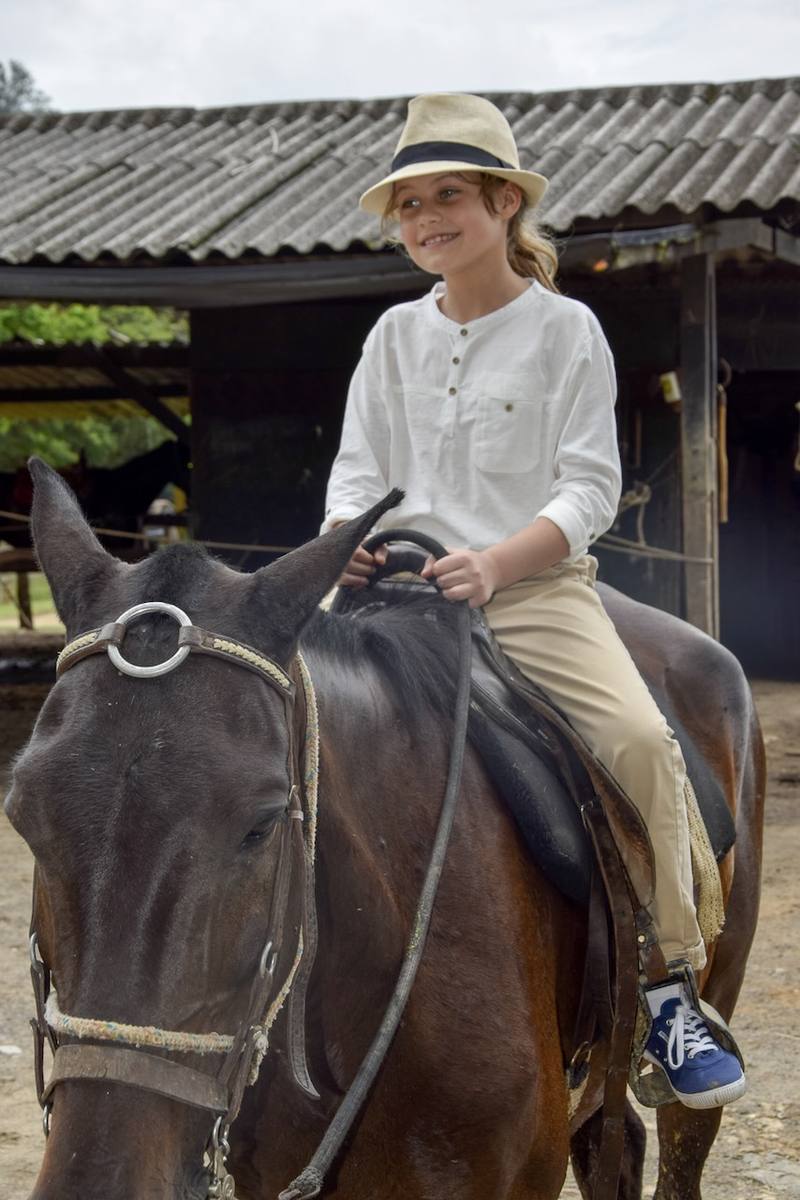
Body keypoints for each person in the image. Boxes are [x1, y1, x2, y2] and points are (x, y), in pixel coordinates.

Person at [321, 92, 744, 1110]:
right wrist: (347, 543)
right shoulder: (388, 335)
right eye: (409, 204)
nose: (425, 219)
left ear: (503, 202)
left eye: (447, 196)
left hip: (527, 591)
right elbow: (352, 470)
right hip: (393, 597)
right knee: (267, 721)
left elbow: (587, 485)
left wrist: (500, 564)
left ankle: (665, 985)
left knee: (639, 743)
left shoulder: (565, 331)